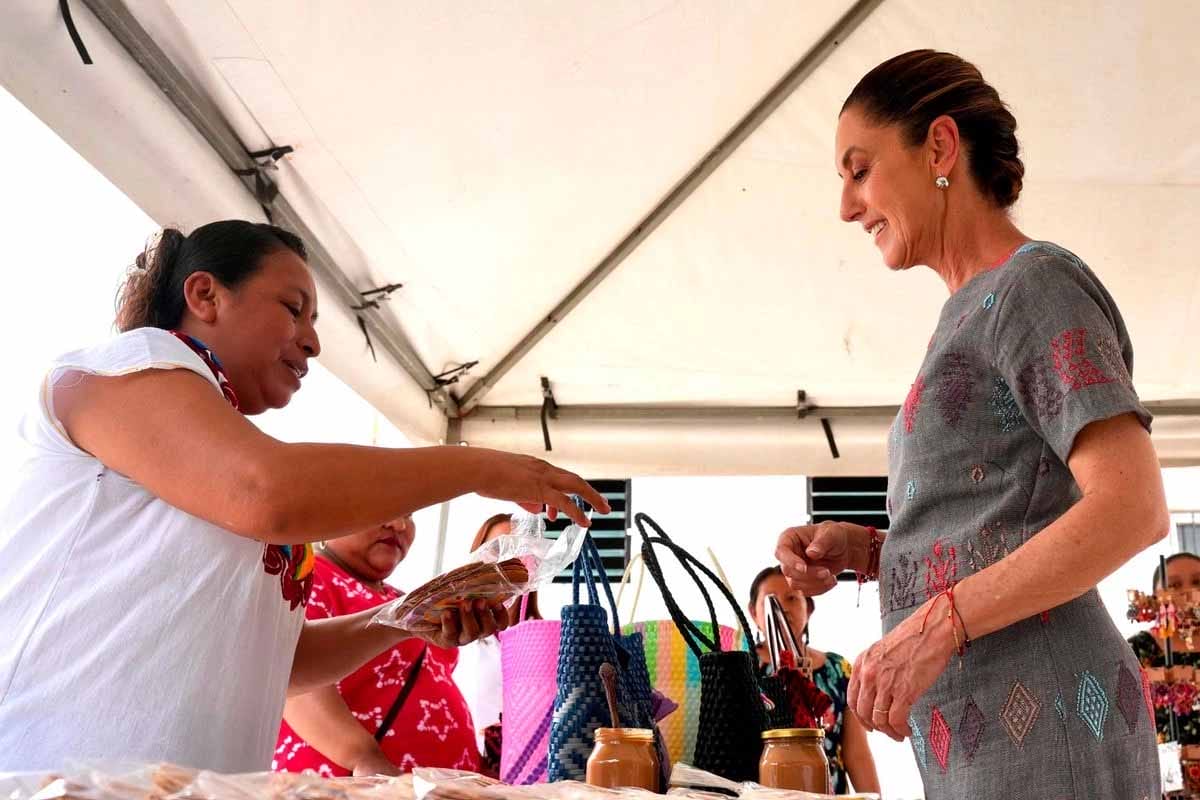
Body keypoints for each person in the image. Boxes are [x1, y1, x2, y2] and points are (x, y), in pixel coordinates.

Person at [0, 220, 609, 773]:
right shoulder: (129, 364)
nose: (313, 342)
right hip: (52, 775)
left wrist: (405, 617)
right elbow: (265, 490)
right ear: (205, 295)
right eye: (294, 309)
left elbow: (278, 663)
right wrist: (476, 467)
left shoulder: (223, 448)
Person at [774, 51, 1169, 798]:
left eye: (860, 171)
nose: (847, 207)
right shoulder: (969, 312)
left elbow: (1133, 506)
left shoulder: (1033, 287)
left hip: (1053, 727)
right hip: (987, 740)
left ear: (940, 146)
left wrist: (934, 626)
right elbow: (1006, 519)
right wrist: (871, 551)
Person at [276, 516, 481, 777]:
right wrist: (365, 758)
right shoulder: (307, 578)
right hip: (347, 785)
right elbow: (292, 678)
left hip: (423, 787)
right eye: (387, 509)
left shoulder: (405, 598)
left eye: (410, 514)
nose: (399, 525)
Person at [748, 566, 880, 795]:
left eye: (791, 598)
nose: (783, 608)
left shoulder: (838, 670)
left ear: (808, 608)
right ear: (753, 612)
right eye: (771, 600)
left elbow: (856, 754)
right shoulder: (744, 669)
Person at [453, 513, 544, 772]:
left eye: (517, 549)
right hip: (463, 772)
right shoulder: (450, 634)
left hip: (527, 770)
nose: (506, 559)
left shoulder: (545, 640)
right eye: (496, 549)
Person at [1128, 552, 1200, 744]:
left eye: (1198, 582)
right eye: (1174, 585)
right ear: (1155, 597)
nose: (1188, 591)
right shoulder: (1137, 650)